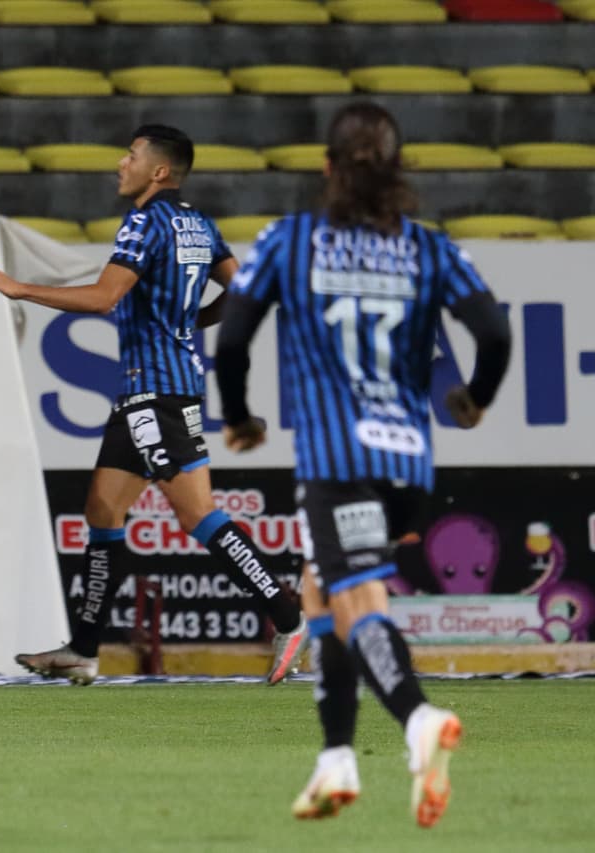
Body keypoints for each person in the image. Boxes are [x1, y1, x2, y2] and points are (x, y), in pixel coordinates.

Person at [213, 103, 511, 827]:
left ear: (327, 167)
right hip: (409, 466)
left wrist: (240, 416)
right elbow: (495, 331)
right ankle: (335, 758)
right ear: (398, 167)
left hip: (337, 460)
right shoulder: (429, 248)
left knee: (356, 600)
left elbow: (231, 341)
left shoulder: (291, 241)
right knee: (321, 590)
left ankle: (416, 721)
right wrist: (475, 398)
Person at [0, 124, 308, 686]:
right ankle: (82, 649)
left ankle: (288, 615)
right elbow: (246, 288)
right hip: (147, 392)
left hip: (157, 392)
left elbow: (106, 297)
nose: (119, 163)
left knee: (198, 515)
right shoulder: (199, 224)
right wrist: (193, 321)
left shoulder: (145, 222)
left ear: (158, 170)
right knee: (103, 511)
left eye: (130, 155)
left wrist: (20, 288)